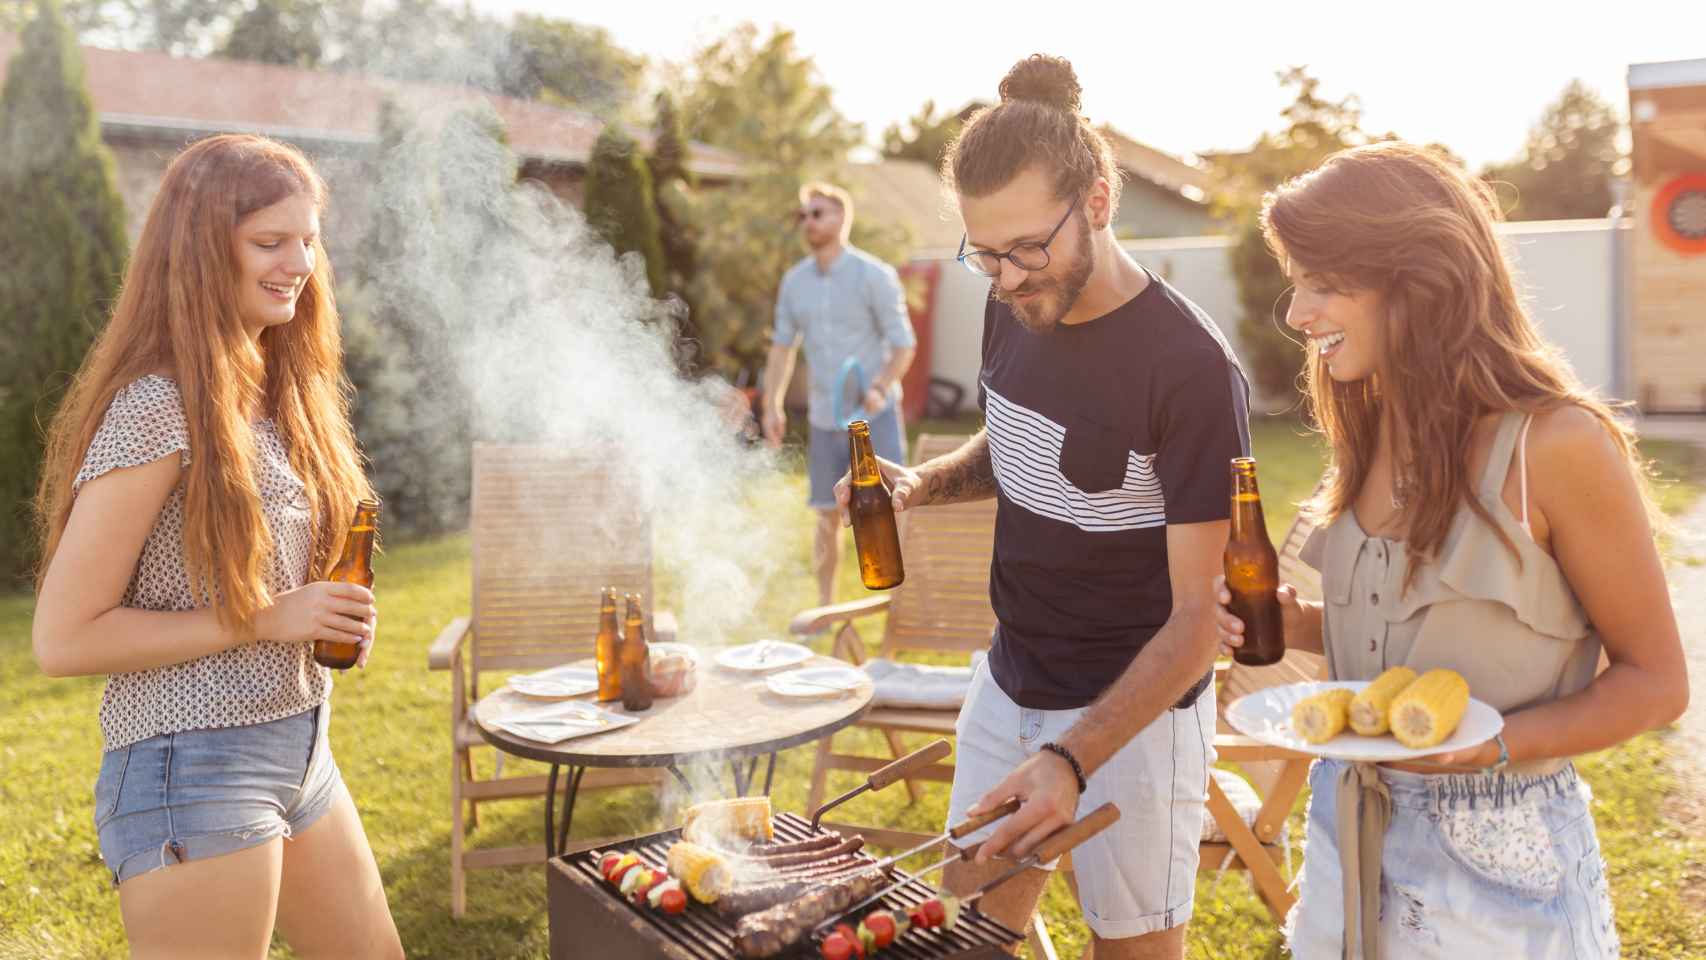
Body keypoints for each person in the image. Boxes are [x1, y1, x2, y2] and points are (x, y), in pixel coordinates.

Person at [1213, 140, 1688, 959]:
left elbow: (1658, 682)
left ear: (1417, 282)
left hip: (1499, 864)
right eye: (1297, 282)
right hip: (1349, 827)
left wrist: (1494, 745)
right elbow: (1417, 636)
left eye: (1322, 283)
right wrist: (1300, 627)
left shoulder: (1558, 445)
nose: (1296, 314)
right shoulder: (1373, 425)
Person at [838, 55, 1251, 959]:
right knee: (964, 941)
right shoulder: (1012, 301)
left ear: (1098, 201)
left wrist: (1071, 760)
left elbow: (1196, 624)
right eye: (987, 253)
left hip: (1133, 715)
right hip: (1008, 681)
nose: (1012, 276)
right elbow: (1019, 441)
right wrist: (920, 485)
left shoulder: (1188, 370)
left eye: (1030, 247)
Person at [30, 134, 403, 959]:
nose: (299, 262)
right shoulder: (157, 407)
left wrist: (321, 614)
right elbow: (62, 638)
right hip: (187, 766)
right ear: (201, 253)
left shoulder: (276, 388)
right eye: (270, 241)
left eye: (308, 239)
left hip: (302, 746)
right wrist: (268, 618)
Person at [763, 182, 917, 606]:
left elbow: (903, 344)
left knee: (894, 509)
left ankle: (899, 607)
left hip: (874, 416)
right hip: (824, 419)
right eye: (805, 215)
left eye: (818, 213)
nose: (808, 221)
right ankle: (826, 606)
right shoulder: (794, 282)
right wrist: (772, 404)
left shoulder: (875, 275)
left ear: (841, 218)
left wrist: (880, 387)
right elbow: (781, 347)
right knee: (825, 515)